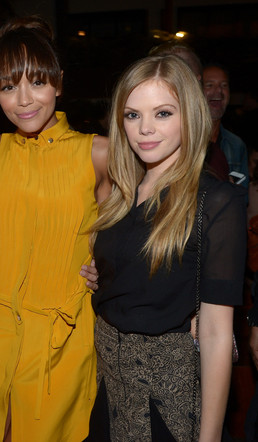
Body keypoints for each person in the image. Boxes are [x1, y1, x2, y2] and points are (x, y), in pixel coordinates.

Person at [0, 16, 111, 442]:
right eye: (9, 87)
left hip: (60, 334)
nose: (24, 100)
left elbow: (120, 233)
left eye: (38, 82)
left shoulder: (98, 152)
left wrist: (104, 268)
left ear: (59, 83)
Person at [89, 55, 245, 441]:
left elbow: (215, 333)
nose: (145, 128)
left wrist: (209, 437)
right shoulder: (121, 193)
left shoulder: (216, 201)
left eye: (162, 113)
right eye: (132, 115)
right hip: (107, 392)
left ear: (189, 115)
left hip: (169, 404)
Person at [202, 63, 249, 187]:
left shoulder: (236, 145)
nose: (218, 90)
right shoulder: (182, 139)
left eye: (224, 85)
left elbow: (242, 194)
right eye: (210, 85)